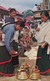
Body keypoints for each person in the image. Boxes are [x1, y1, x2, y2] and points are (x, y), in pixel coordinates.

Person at [36, 11, 50, 75]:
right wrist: (38, 30)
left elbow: (49, 34)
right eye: (41, 17)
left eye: (43, 17)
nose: (42, 19)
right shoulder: (41, 24)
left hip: (45, 44)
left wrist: (46, 42)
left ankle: (46, 71)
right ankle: (41, 70)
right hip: (40, 43)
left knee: (44, 58)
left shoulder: (49, 24)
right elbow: (39, 34)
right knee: (39, 58)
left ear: (47, 17)